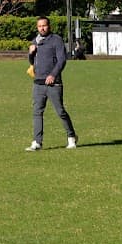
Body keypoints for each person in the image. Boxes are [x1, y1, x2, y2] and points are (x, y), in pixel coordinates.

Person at [26, 17, 77, 151]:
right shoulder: (35, 41)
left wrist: (53, 75)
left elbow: (62, 60)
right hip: (38, 83)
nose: (42, 28)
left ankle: (71, 136)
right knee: (37, 112)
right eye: (39, 26)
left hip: (53, 84)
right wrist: (30, 53)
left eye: (44, 26)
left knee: (60, 111)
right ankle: (37, 142)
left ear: (49, 26)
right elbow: (32, 62)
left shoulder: (56, 40)